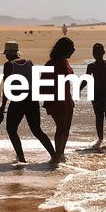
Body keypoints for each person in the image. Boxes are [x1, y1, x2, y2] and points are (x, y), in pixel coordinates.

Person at [0, 40, 56, 165]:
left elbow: (7, 87)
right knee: (37, 130)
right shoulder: (29, 62)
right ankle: (55, 156)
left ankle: (21, 159)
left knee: (11, 129)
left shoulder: (9, 65)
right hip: (32, 98)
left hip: (18, 99)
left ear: (8, 54)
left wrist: (2, 108)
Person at [44, 36, 76, 164]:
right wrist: (47, 102)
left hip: (67, 99)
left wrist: (71, 98)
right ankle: (56, 155)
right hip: (56, 101)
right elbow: (43, 83)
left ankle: (61, 153)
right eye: (71, 48)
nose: (73, 51)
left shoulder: (65, 62)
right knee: (60, 127)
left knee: (67, 127)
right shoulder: (51, 63)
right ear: (64, 49)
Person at [85, 42, 106, 147]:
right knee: (99, 117)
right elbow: (86, 80)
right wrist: (78, 89)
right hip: (96, 94)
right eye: (95, 53)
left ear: (103, 53)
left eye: (99, 53)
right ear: (93, 54)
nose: (97, 55)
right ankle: (100, 139)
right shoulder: (91, 66)